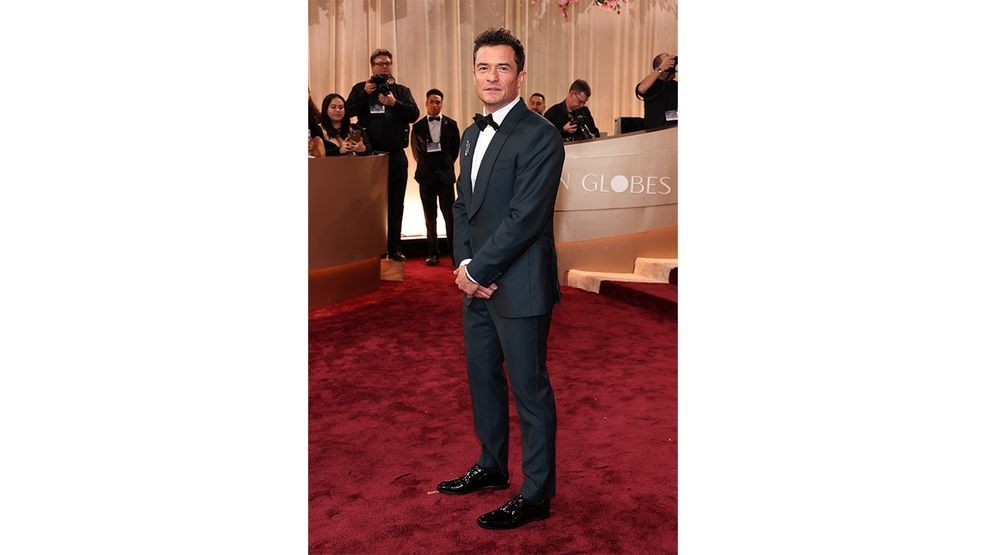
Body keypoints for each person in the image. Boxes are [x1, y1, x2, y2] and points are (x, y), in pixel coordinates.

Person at [436, 27, 565, 531]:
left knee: (529, 389)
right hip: (477, 284)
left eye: (503, 67)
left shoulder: (541, 134)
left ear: (521, 74)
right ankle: (491, 466)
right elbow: (463, 207)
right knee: (483, 379)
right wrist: (465, 270)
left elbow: (526, 217)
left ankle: (535, 494)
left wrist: (480, 271)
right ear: (473, 74)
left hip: (521, 285)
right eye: (484, 67)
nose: (492, 77)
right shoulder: (470, 134)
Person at [345, 49, 420, 262]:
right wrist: (364, 94)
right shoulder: (361, 89)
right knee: (368, 205)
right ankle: (370, 248)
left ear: (392, 65)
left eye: (387, 63)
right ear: (372, 67)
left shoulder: (400, 91)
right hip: (369, 158)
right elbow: (347, 111)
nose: (384, 67)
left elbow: (414, 114)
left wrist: (394, 103)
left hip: (396, 155)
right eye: (379, 64)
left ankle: (394, 248)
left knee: (396, 204)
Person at [410, 89, 460, 266]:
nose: (435, 105)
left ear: (442, 103)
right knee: (429, 217)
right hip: (426, 177)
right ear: (426, 103)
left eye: (438, 102)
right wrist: (428, 167)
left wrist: (444, 166)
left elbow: (455, 150)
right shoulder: (418, 126)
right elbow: (416, 152)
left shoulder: (451, 124)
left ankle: (455, 253)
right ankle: (433, 252)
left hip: (445, 177)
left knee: (450, 216)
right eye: (432, 101)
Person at [635, 53, 678, 129]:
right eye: (666, 60)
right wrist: (661, 68)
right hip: (653, 131)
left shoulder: (676, 85)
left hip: (673, 130)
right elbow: (641, 89)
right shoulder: (650, 84)